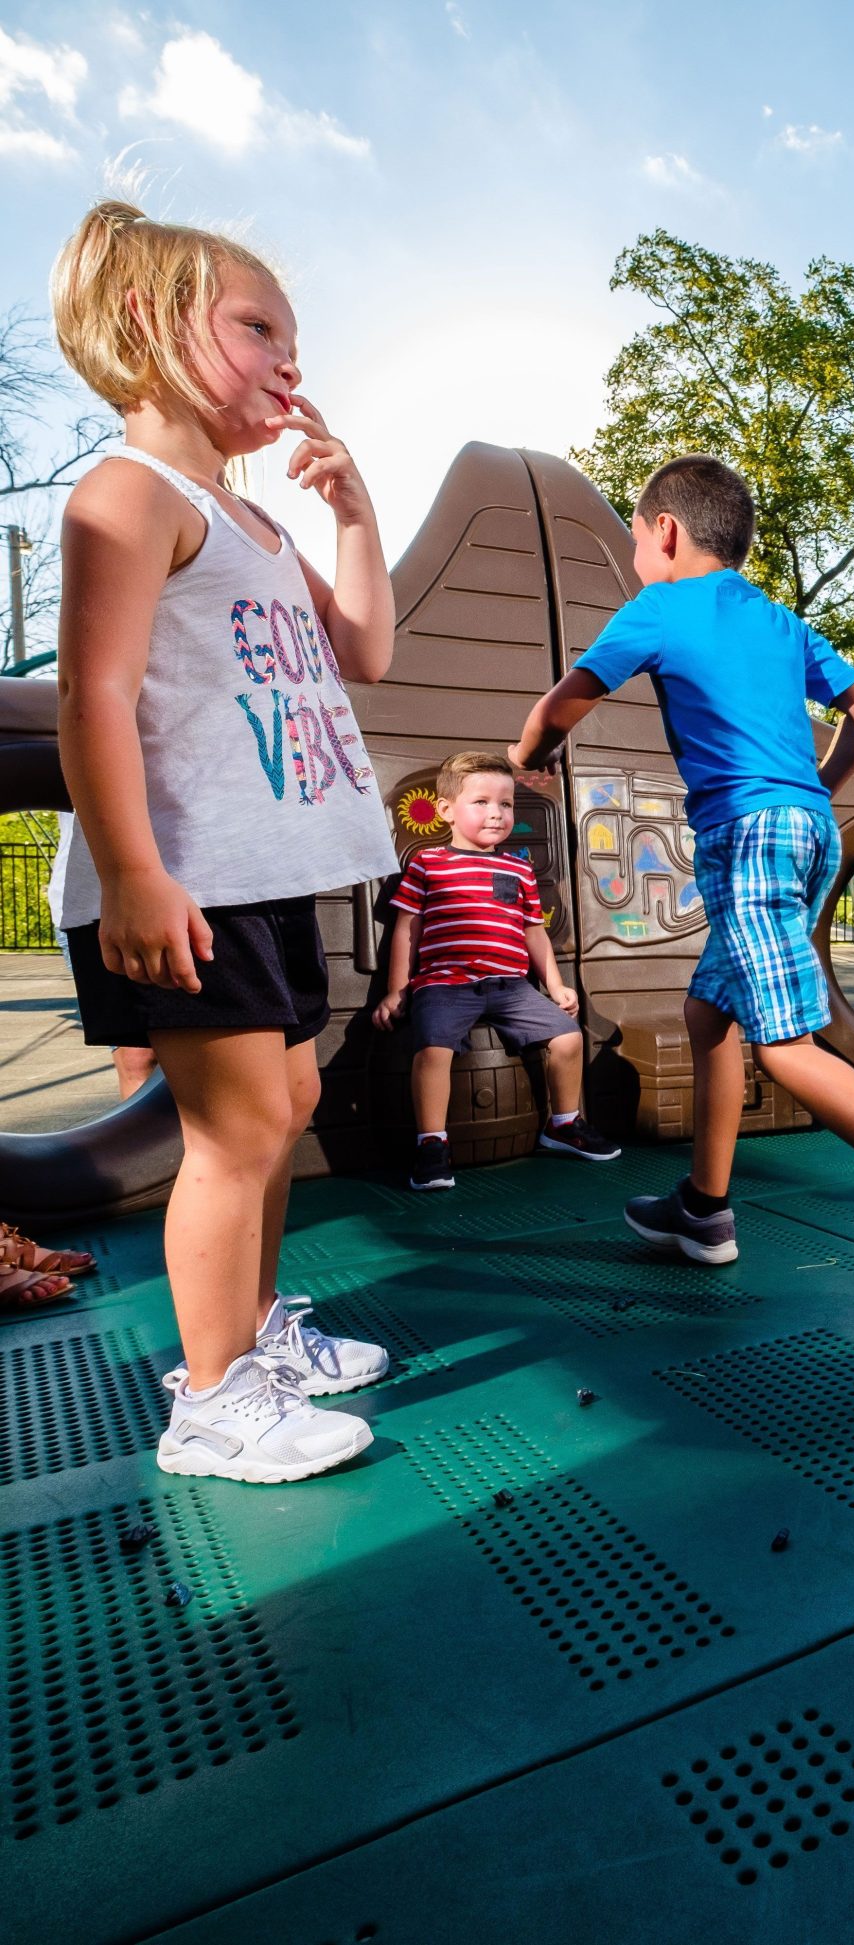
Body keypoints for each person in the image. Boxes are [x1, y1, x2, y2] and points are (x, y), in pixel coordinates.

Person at [48, 202, 394, 1483]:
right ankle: (209, 1401)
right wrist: (133, 870)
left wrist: (354, 512)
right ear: (146, 324)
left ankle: (250, 1335)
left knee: (287, 1102)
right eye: (257, 327)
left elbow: (363, 652)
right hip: (183, 876)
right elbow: (94, 694)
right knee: (235, 1132)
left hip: (264, 875)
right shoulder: (128, 495)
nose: (286, 360)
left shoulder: (254, 523)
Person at [509, 455, 854, 1302]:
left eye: (633, 540)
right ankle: (704, 1208)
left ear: (665, 531)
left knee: (782, 1041)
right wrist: (813, 793)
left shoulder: (656, 607)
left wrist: (528, 758)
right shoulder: (778, 620)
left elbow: (558, 706)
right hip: (806, 830)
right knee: (710, 1014)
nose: (634, 559)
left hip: (750, 834)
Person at [371, 750, 620, 1189]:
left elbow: (533, 931)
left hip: (509, 986)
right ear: (446, 810)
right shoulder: (428, 864)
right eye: (482, 802)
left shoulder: (517, 866)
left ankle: (562, 1124)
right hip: (444, 983)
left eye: (505, 805)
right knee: (432, 1050)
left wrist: (556, 984)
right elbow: (407, 928)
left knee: (568, 1036)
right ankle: (432, 1143)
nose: (496, 813)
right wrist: (397, 990)